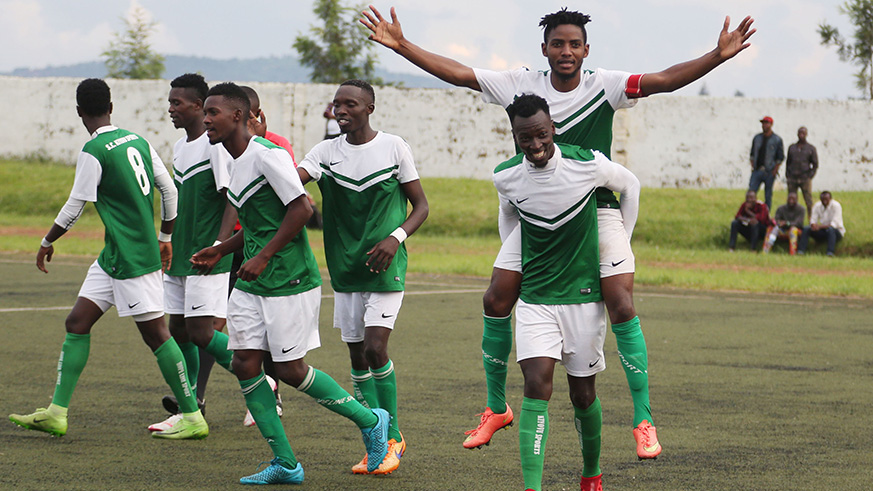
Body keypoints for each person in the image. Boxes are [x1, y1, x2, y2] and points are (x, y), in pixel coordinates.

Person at [361, 5, 756, 458]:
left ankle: (644, 418)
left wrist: (717, 56)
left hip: (598, 211)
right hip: (539, 219)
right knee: (495, 298)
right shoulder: (519, 84)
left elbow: (662, 80)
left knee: (621, 301)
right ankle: (495, 408)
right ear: (544, 49)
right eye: (557, 43)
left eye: (574, 44)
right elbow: (460, 74)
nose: (566, 51)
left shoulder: (603, 84)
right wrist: (402, 45)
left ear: (586, 49)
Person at [189, 82, 390, 485]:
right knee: (246, 363)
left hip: (290, 280)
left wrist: (263, 257)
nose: (206, 119)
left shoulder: (268, 156)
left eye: (214, 113)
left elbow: (302, 208)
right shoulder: (234, 159)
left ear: (240, 116)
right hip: (253, 280)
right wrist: (224, 249)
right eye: (205, 112)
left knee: (291, 370)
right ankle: (285, 463)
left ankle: (371, 421)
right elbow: (262, 224)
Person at [8, 78, 207, 440]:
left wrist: (47, 240)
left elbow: (75, 205)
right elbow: (169, 191)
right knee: (77, 322)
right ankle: (56, 413)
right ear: (111, 108)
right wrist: (165, 237)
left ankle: (192, 415)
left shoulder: (94, 149)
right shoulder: (137, 139)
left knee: (158, 336)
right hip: (114, 256)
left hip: (132, 259)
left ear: (79, 111)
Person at [494, 94, 640, 491]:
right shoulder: (505, 175)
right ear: (514, 136)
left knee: (583, 396)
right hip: (537, 300)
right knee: (536, 384)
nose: (535, 144)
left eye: (541, 134)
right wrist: (519, 257)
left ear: (552, 128)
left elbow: (630, 186)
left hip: (582, 298)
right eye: (525, 138)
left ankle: (591, 472)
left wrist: (620, 241)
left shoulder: (586, 164)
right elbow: (507, 213)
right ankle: (532, 487)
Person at [297, 79, 429, 475]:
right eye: (337, 104)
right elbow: (290, 180)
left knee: (375, 349)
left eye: (350, 104)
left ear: (369, 108)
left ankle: (393, 437)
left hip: (385, 267)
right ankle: (373, 442)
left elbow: (421, 206)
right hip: (345, 269)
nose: (341, 110)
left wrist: (395, 237)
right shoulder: (324, 152)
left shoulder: (393, 147)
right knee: (356, 357)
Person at [147, 73, 240, 433]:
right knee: (178, 329)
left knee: (202, 333)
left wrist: (218, 246)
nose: (171, 109)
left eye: (177, 103)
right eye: (169, 102)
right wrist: (168, 239)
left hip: (207, 256)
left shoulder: (214, 146)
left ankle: (261, 373)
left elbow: (231, 198)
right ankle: (192, 407)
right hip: (182, 253)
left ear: (198, 107)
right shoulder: (180, 147)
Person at [749, 116, 784, 212]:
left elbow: (780, 157)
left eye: (766, 123)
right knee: (751, 192)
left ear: (771, 125)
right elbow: (752, 153)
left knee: (768, 195)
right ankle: (749, 212)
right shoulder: (757, 138)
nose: (764, 125)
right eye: (763, 123)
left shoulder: (777, 139)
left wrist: (775, 170)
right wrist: (753, 165)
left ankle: (766, 214)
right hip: (757, 170)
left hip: (769, 171)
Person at [785, 126, 818, 221]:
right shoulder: (792, 148)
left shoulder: (811, 148)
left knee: (808, 200)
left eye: (803, 133)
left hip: (805, 178)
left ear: (806, 134)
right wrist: (788, 175)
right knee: (791, 199)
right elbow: (788, 162)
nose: (801, 135)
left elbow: (815, 164)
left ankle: (811, 218)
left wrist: (810, 176)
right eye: (800, 133)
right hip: (792, 178)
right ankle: (792, 218)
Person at [799, 191, 845, 257]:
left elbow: (833, 224)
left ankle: (830, 252)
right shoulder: (817, 205)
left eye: (826, 199)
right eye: (822, 199)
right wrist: (813, 225)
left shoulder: (836, 206)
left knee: (831, 229)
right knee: (806, 229)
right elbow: (813, 219)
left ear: (830, 199)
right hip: (823, 231)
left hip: (836, 232)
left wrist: (819, 227)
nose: (824, 201)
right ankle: (801, 251)